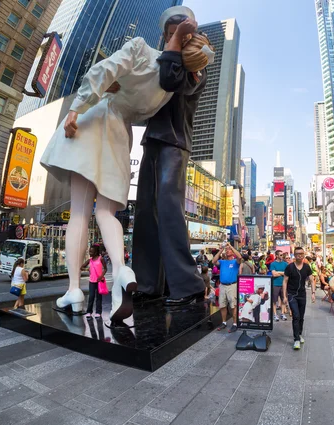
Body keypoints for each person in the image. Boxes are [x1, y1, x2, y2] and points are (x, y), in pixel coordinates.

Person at [40, 10, 196, 320]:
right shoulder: (168, 85)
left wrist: (77, 107)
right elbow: (136, 106)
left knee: (82, 212)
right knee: (106, 212)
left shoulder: (141, 47)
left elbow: (105, 70)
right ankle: (123, 271)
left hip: (95, 119)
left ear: (166, 34)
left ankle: (73, 289)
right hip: (119, 134)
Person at [131, 6, 211, 307]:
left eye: (182, 32)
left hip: (175, 144)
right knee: (144, 213)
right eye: (170, 32)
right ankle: (149, 284)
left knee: (167, 207)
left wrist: (177, 42)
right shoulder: (161, 59)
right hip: (153, 141)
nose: (175, 36)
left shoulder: (195, 67)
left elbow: (170, 80)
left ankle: (188, 285)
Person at [283, 247, 315, 350]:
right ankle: (296, 339)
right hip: (292, 295)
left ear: (304, 254)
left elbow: (312, 279)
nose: (299, 255)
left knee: (301, 316)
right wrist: (284, 296)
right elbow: (285, 281)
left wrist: (313, 293)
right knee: (296, 316)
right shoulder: (290, 267)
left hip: (302, 295)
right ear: (294, 255)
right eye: (297, 254)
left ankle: (299, 334)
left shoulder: (306, 267)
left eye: (301, 253)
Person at [213, 244, 242, 332]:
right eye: (227, 250)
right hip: (222, 286)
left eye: (229, 250)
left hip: (232, 285)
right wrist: (221, 250)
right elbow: (214, 261)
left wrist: (231, 246)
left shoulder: (235, 262)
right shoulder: (222, 262)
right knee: (222, 305)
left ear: (233, 252)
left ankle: (234, 323)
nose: (228, 251)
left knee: (233, 305)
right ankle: (224, 322)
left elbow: (240, 257)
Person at [82, 245, 107, 319]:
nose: (90, 253)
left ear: (96, 252)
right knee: (91, 297)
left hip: (99, 281)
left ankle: (98, 312)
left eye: (91, 251)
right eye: (89, 251)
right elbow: (81, 267)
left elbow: (105, 269)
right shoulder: (90, 260)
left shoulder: (101, 259)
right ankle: (89, 312)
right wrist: (88, 269)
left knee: (99, 297)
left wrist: (101, 276)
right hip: (92, 281)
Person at [270, 252, 289, 321]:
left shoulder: (285, 264)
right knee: (274, 300)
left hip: (284, 284)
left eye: (282, 255)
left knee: (284, 299)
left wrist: (278, 272)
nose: (282, 256)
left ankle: (282, 313)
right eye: (281, 255)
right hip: (275, 284)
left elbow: (287, 274)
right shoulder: (273, 264)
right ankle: (275, 314)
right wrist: (282, 273)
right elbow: (274, 274)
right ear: (277, 256)